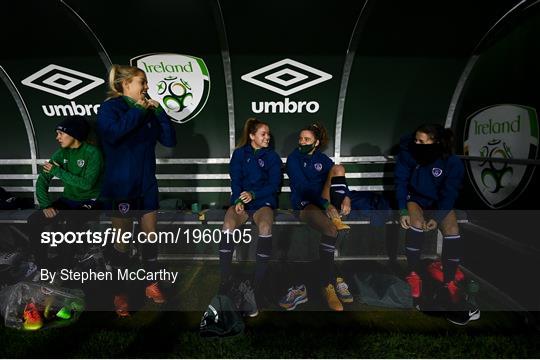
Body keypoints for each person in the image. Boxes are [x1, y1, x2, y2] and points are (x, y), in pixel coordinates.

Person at [97, 64, 176, 317]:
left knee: (151, 236)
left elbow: (170, 140)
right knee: (122, 240)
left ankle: (150, 285)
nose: (146, 86)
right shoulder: (111, 108)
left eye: (145, 81)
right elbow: (113, 134)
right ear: (125, 85)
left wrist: (160, 111)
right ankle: (120, 293)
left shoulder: (148, 110)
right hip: (121, 185)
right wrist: (140, 111)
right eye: (141, 81)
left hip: (146, 183)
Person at [395, 123, 479, 325]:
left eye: (422, 141)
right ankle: (413, 274)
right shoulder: (408, 154)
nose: (417, 143)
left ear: (436, 142)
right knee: (414, 222)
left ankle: (448, 282)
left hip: (438, 202)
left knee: (452, 228)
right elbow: (401, 183)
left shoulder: (451, 162)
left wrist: (437, 217)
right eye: (416, 139)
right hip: (415, 198)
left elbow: (450, 193)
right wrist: (403, 210)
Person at [25, 115, 102, 330]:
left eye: (61, 133)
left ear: (74, 134)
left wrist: (58, 171)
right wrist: (45, 205)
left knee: (71, 225)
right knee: (34, 221)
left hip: (90, 202)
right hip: (68, 201)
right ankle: (45, 269)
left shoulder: (93, 153)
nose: (57, 137)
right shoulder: (60, 153)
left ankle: (64, 278)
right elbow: (42, 181)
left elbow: (87, 185)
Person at [280, 123, 353, 312]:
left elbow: (336, 182)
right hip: (305, 204)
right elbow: (303, 188)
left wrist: (347, 197)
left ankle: (333, 276)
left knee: (338, 169)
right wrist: (326, 205)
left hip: (323, 203)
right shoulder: (294, 158)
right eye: (300, 139)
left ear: (316, 142)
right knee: (330, 229)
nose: (302, 142)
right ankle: (327, 284)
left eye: (307, 139)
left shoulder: (323, 159)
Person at [219, 118, 282, 317]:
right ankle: (225, 282)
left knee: (265, 227)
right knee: (228, 225)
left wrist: (254, 195)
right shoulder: (239, 154)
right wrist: (238, 200)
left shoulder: (272, 157)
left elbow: (274, 185)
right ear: (252, 136)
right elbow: (235, 180)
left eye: (268, 134)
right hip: (242, 204)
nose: (267, 137)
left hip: (262, 203)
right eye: (263, 134)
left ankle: (257, 284)